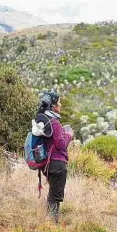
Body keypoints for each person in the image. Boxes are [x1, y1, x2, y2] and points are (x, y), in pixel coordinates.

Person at [36, 92, 73, 223]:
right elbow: (61, 144)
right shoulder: (54, 123)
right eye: (59, 102)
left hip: (48, 164)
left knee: (53, 195)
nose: (61, 104)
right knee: (55, 198)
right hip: (57, 164)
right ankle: (53, 225)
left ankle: (51, 224)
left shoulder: (44, 120)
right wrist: (69, 135)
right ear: (53, 106)